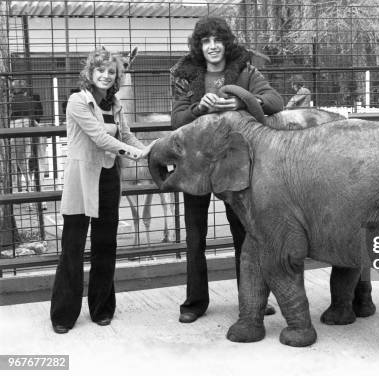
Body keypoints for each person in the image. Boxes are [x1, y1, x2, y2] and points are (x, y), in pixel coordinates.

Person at [170, 16, 283, 324]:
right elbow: (177, 119)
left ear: (226, 42)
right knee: (195, 237)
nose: (212, 46)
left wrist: (242, 101)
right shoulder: (185, 74)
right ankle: (195, 302)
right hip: (196, 164)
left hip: (236, 163)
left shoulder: (246, 69)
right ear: (199, 46)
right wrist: (199, 108)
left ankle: (251, 297)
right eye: (205, 41)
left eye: (217, 40)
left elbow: (274, 100)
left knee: (243, 233)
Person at [50, 47, 153, 334]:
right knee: (72, 247)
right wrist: (136, 154)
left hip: (108, 178)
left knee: (105, 245)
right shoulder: (77, 101)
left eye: (111, 71)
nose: (106, 75)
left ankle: (102, 308)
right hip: (82, 179)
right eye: (101, 70)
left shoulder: (115, 104)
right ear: (90, 72)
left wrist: (149, 150)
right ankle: (63, 314)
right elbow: (99, 138)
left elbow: (126, 134)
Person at [8, 79, 43, 193]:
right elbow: (39, 114)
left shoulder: (9, 103)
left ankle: (29, 193)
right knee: (39, 161)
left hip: (17, 128)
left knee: (22, 163)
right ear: (25, 90)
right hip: (35, 127)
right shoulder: (32, 101)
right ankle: (40, 197)